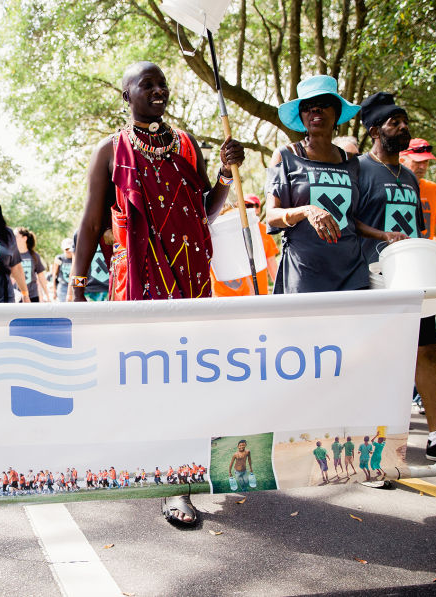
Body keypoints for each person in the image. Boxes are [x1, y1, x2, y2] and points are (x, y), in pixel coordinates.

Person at [72, 61, 244, 526]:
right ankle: (166, 478)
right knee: (150, 379)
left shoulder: (187, 144)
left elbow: (205, 209)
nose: (157, 89)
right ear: (126, 95)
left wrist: (227, 176)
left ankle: (179, 482)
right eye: (145, 84)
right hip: (140, 284)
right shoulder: (110, 149)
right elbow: (90, 223)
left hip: (189, 279)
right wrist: (77, 283)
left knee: (186, 378)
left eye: (162, 83)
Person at [355, 92, 436, 467]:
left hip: (412, 281)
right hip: (374, 282)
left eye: (405, 120)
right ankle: (372, 444)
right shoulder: (357, 170)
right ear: (375, 129)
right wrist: (379, 240)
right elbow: (349, 223)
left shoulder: (410, 178)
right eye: (394, 122)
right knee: (380, 360)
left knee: (427, 351)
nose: (403, 127)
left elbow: (421, 232)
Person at [265, 75, 395, 293]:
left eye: (324, 105)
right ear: (302, 115)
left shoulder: (352, 162)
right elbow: (272, 216)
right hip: (305, 271)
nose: (315, 111)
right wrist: (308, 210)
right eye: (308, 107)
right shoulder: (286, 156)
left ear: (336, 113)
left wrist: (384, 235)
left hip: (351, 272)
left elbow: (350, 219)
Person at [399, 139, 436, 273]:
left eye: (426, 162)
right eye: (418, 162)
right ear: (402, 160)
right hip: (398, 259)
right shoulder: (391, 187)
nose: (423, 167)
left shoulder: (433, 189)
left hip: (425, 260)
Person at [211, 195, 280, 296]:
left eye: (255, 205)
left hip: (256, 297)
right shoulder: (216, 232)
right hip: (224, 299)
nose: (252, 209)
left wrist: (280, 291)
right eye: (248, 205)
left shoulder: (262, 231)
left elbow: (272, 265)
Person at [16, 227, 49, 302]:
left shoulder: (34, 256)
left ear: (24, 238)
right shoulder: (12, 255)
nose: (13, 238)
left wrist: (47, 294)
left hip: (33, 295)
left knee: (32, 314)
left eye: (16, 236)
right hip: (17, 295)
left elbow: (41, 276)